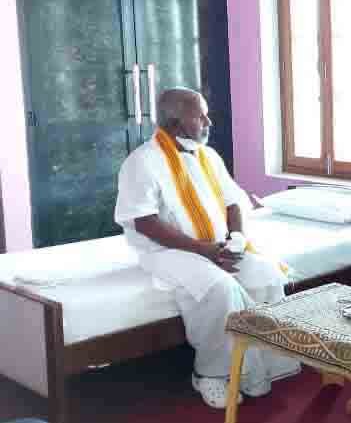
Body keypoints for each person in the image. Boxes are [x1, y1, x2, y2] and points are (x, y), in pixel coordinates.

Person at [114, 88, 299, 409]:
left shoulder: (207, 155)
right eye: (200, 115)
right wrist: (205, 251)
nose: (208, 121)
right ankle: (209, 374)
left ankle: (261, 364)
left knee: (267, 273)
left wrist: (236, 240)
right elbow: (144, 222)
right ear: (175, 121)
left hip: (216, 246)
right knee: (220, 288)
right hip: (165, 252)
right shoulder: (141, 162)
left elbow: (233, 202)